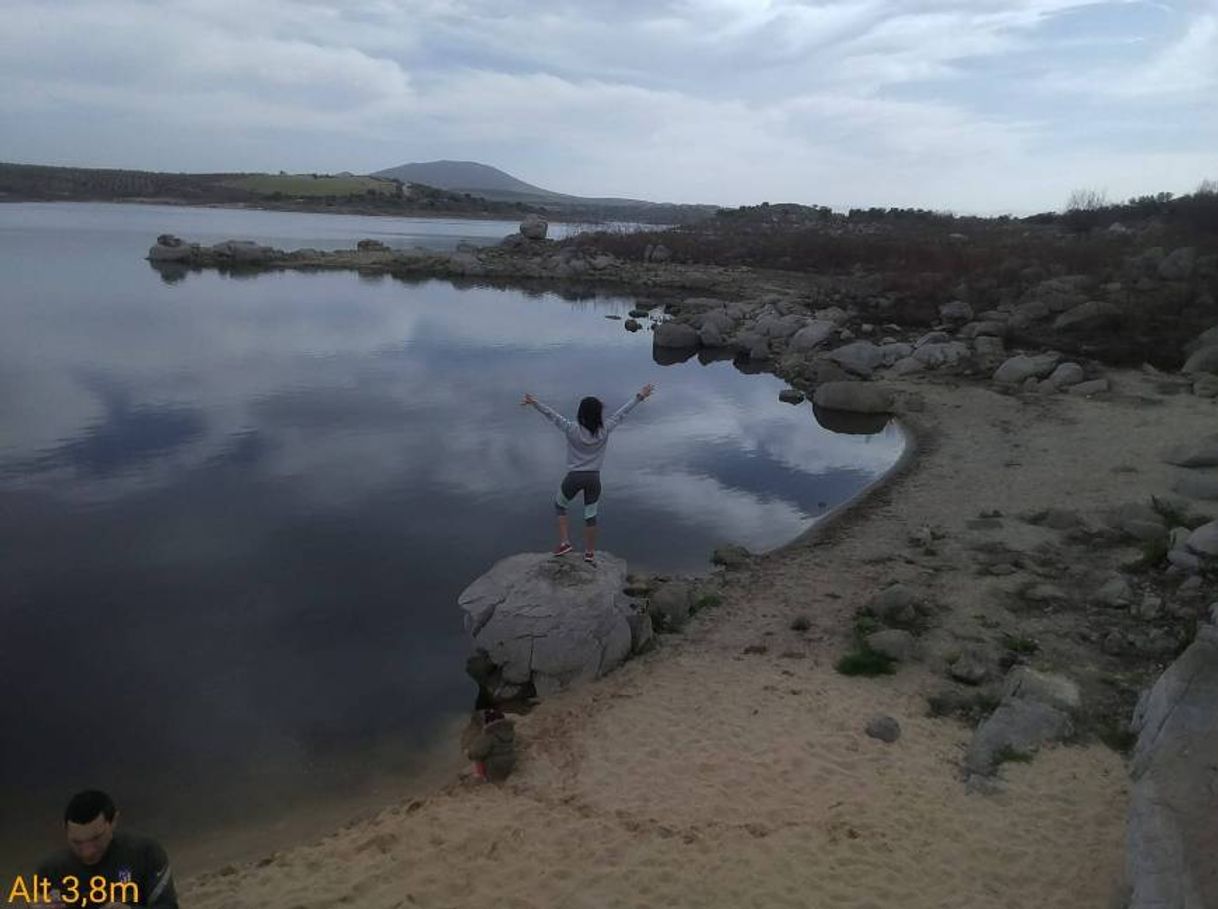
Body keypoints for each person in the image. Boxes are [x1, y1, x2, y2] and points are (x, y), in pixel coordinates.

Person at [522, 384, 655, 564]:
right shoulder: (605, 429)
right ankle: (590, 553)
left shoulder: (571, 428)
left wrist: (534, 403)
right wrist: (639, 396)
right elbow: (622, 413)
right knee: (590, 515)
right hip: (594, 478)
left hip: (575, 476)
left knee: (560, 505)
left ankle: (565, 542)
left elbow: (552, 415)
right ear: (597, 414)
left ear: (581, 412)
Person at [34, 790, 178, 908]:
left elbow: (167, 905)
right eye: (77, 842)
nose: (87, 852)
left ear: (113, 821)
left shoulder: (145, 853)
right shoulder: (50, 872)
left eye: (96, 839)